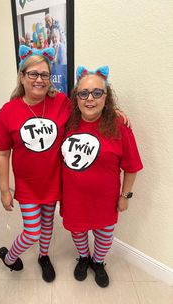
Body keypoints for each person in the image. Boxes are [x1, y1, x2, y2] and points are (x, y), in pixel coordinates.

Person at [0, 45, 71, 283]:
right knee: (32, 231)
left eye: (45, 74)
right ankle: (9, 257)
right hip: (27, 186)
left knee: (48, 224)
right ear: (22, 76)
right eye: (33, 74)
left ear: (50, 77)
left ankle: (43, 257)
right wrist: (5, 189)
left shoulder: (61, 102)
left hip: (53, 181)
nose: (39, 79)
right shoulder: (8, 112)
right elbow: (2, 154)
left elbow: (90, 110)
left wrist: (115, 111)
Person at [61, 66, 143, 288]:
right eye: (83, 93)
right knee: (77, 231)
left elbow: (132, 166)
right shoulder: (66, 121)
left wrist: (125, 195)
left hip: (105, 200)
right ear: (76, 97)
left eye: (97, 93)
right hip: (73, 196)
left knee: (104, 235)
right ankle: (84, 257)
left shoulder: (119, 126)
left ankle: (98, 262)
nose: (90, 99)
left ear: (106, 97)